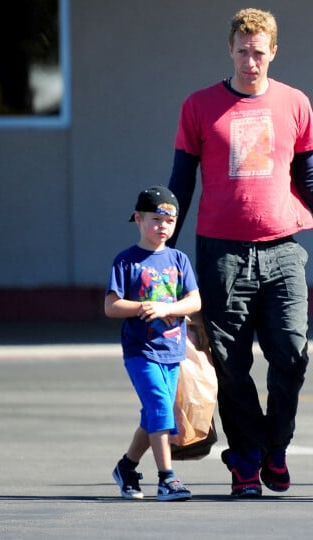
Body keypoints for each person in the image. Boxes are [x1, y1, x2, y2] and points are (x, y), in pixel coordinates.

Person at [167, 7, 313, 498]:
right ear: (229, 50)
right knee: (229, 362)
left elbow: (311, 176)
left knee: (292, 356)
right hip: (220, 253)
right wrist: (163, 253)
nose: (250, 61)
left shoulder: (294, 103)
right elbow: (181, 182)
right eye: (242, 51)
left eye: (259, 52)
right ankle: (247, 457)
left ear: (273, 51)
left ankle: (276, 446)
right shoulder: (199, 106)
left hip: (282, 250)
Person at [105, 185, 201, 501]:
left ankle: (127, 467)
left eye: (169, 221)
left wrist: (168, 308)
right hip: (140, 351)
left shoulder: (178, 259)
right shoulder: (127, 260)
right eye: (156, 219)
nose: (163, 227)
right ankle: (167, 479)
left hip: (172, 349)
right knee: (160, 406)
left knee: (153, 415)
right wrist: (142, 307)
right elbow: (111, 306)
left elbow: (194, 301)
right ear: (138, 218)